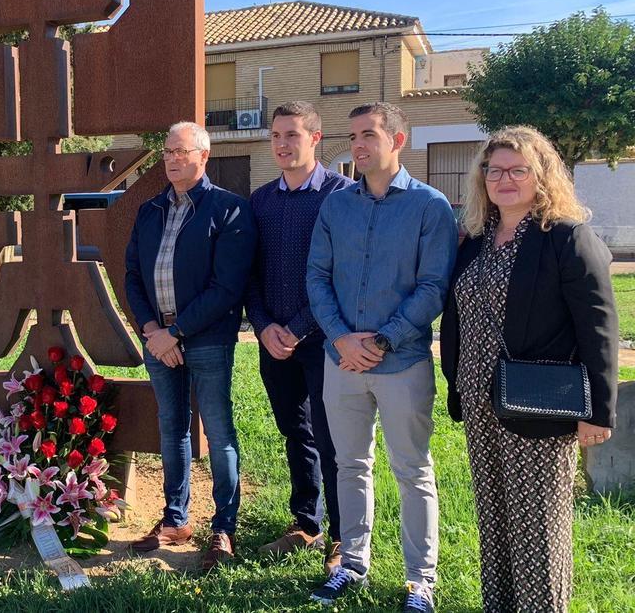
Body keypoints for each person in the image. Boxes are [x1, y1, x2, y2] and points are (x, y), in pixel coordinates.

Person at [440, 126, 618, 612]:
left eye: (519, 169)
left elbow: (598, 326)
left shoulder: (565, 237)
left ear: (542, 176)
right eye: (495, 170)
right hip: (481, 404)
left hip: (539, 406)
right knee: (495, 520)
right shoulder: (475, 241)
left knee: (538, 526)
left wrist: (598, 410)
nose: (505, 179)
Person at [306, 102, 457, 613]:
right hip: (341, 360)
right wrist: (342, 338)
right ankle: (351, 563)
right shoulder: (336, 205)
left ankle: (420, 581)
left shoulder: (431, 206)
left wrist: (383, 340)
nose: (359, 146)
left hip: (403, 362)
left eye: (369, 135)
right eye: (353, 137)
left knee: (412, 470)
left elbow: (434, 286)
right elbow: (317, 277)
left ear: (399, 139)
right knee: (350, 465)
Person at [124, 121, 256, 571]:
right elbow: (132, 276)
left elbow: (227, 288)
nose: (173, 159)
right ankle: (175, 520)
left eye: (182, 151)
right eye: (167, 152)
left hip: (205, 340)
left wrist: (175, 333)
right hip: (157, 341)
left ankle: (223, 526)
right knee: (172, 429)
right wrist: (150, 328)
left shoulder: (229, 210)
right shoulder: (149, 210)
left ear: (204, 154)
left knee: (218, 433)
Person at [245, 102, 353, 573]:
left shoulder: (342, 195)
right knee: (296, 432)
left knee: (332, 439)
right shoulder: (261, 200)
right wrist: (264, 324)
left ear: (315, 137)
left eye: (292, 135)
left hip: (326, 341)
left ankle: (342, 537)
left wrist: (298, 327)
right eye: (276, 136)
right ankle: (306, 523)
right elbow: (249, 272)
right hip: (273, 340)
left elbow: (344, 276)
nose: (282, 145)